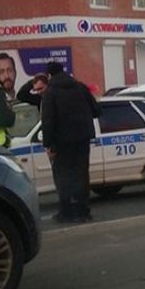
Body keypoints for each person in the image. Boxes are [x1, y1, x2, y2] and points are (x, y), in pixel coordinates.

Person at [40, 61, 101, 223]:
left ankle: (66, 213)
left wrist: (48, 144)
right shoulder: (80, 87)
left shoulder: (50, 93)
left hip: (61, 141)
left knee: (63, 176)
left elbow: (48, 121)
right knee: (81, 174)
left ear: (49, 75)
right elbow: (97, 110)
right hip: (82, 138)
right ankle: (83, 212)